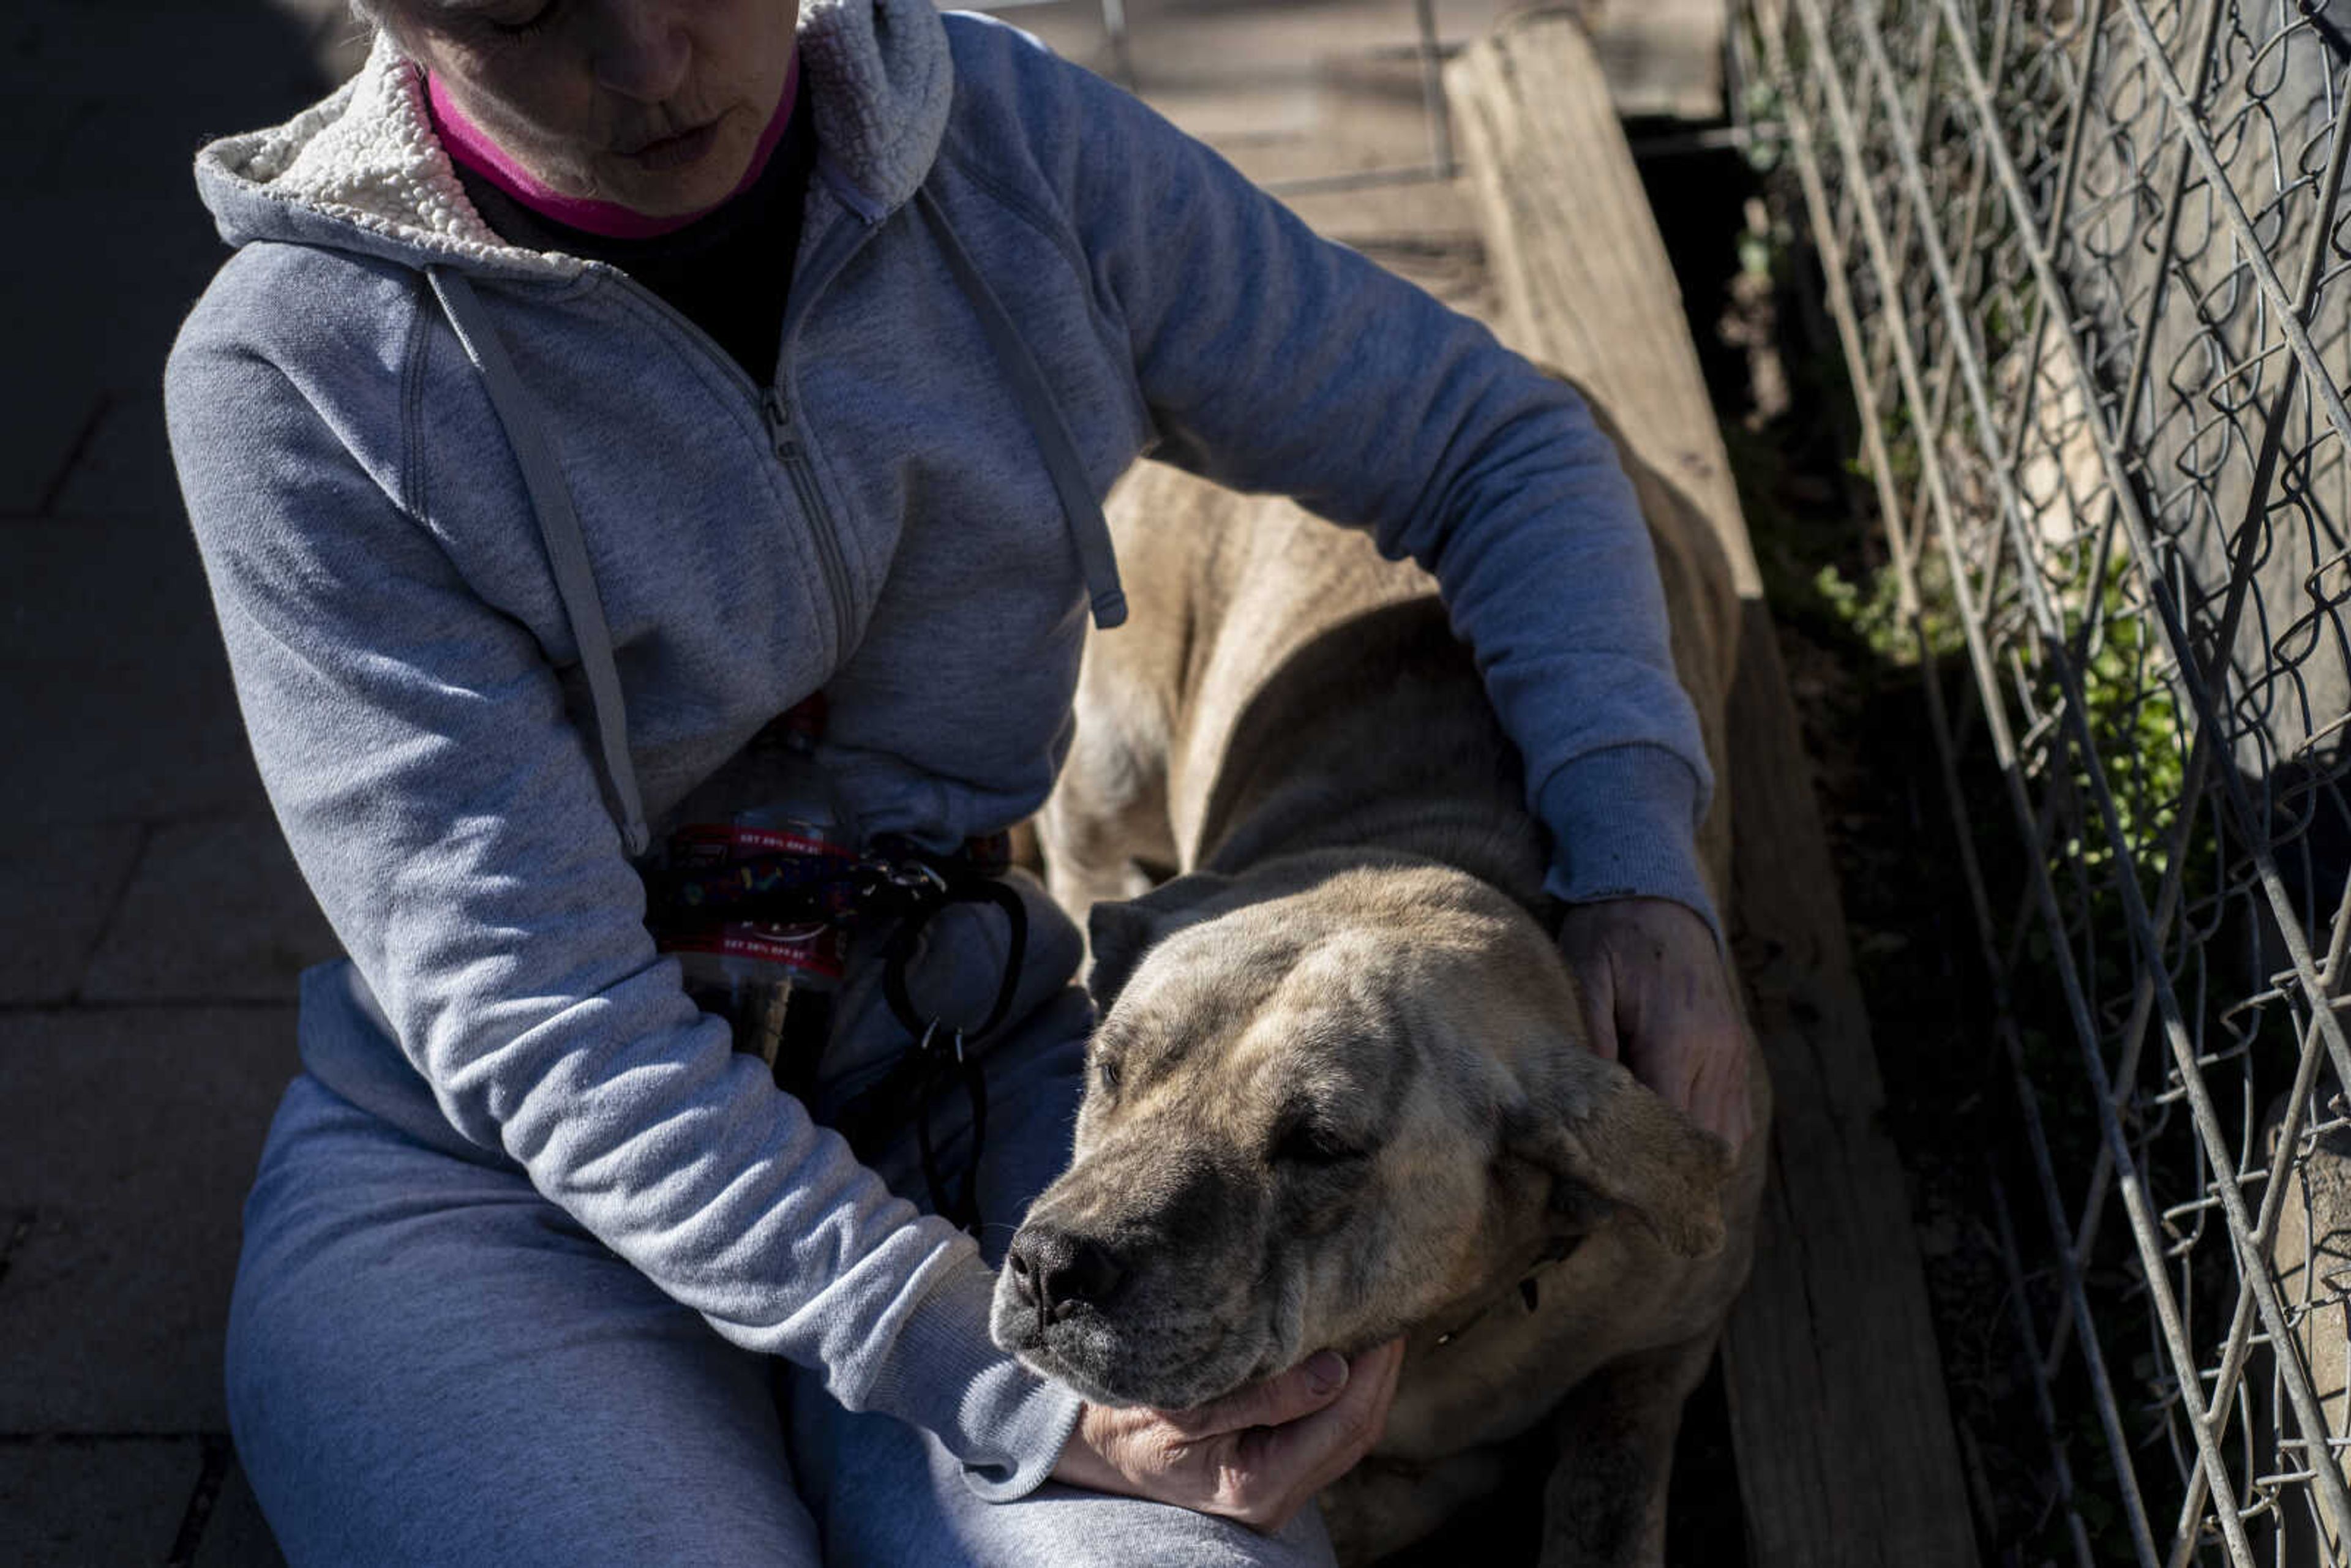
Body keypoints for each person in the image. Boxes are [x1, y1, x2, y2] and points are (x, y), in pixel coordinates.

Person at [165, 0, 1750, 1562]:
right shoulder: (298, 379)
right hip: (506, 1196)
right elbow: (542, 1019)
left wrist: (1636, 865)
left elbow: (1499, 447)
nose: (646, 58)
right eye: (516, 5)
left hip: (964, 1080)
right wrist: (1007, 1394)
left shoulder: (1010, 145)